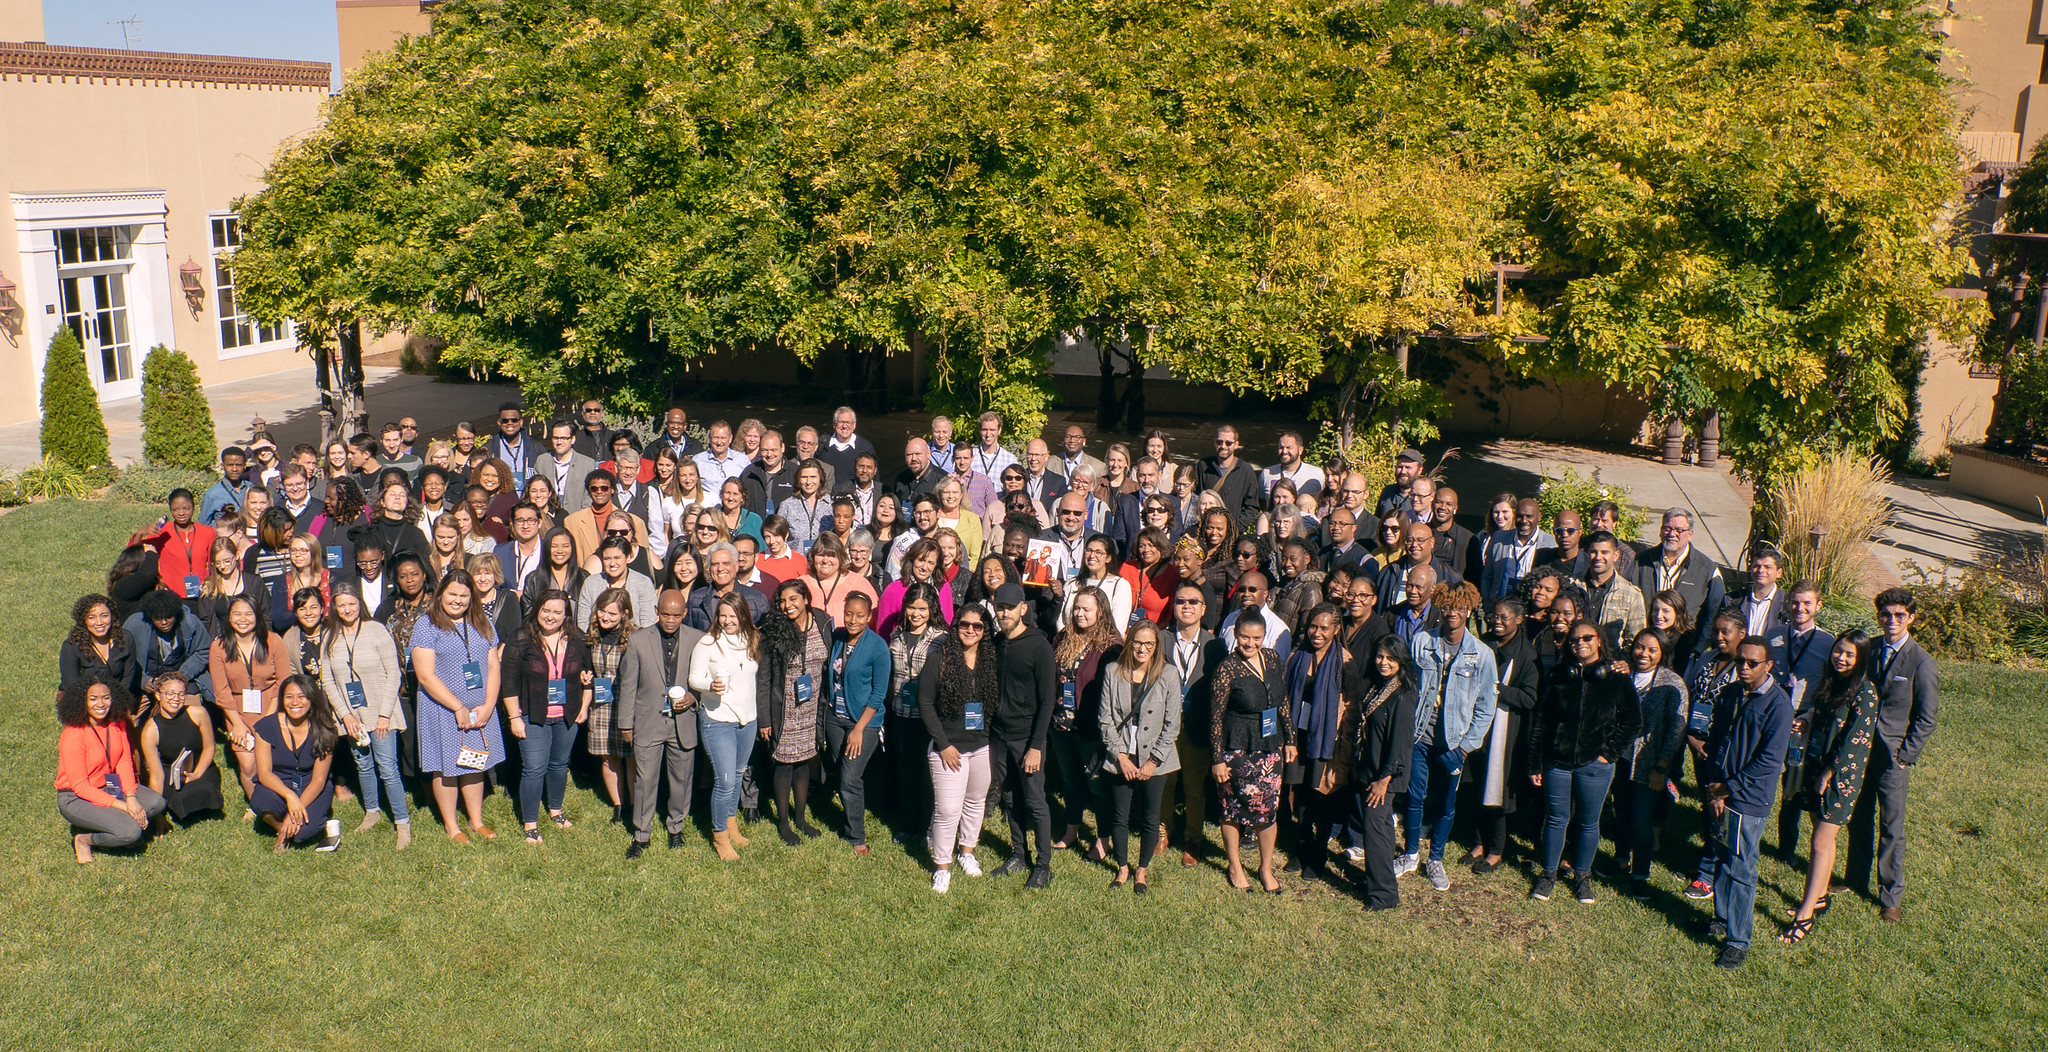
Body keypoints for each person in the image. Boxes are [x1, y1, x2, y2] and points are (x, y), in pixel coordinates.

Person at [1694, 635, 1793, 967]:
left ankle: (1737, 941)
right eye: (1740, 662)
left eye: (1753, 663)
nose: (1745, 668)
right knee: (1722, 856)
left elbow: (1769, 761)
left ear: (1769, 665)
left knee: (1741, 868)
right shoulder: (1734, 692)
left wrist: (1727, 789)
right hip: (1720, 789)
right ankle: (1722, 919)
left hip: (1747, 799)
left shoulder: (1778, 705)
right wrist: (1712, 784)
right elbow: (1718, 739)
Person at [1528, 620, 1642, 905]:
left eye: (1586, 638)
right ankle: (1549, 873)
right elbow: (1540, 722)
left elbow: (1633, 722)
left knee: (1589, 822)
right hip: (1557, 761)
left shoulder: (1616, 678)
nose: (1580, 644)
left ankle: (1582, 876)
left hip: (1595, 764)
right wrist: (1534, 763)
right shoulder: (1558, 675)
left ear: (1599, 640)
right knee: (1556, 818)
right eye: (1574, 640)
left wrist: (1609, 752)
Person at [1845, 588, 1938, 924]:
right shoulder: (1868, 648)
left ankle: (1890, 897)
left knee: (1891, 828)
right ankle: (1853, 879)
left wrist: (1904, 756)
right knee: (1858, 817)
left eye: (1900, 615)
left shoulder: (1921, 662)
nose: (1892, 621)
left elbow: (1926, 717)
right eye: (1886, 615)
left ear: (1911, 618)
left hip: (1891, 758)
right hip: (1860, 749)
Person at [1397, 582, 1498, 890]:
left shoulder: (1481, 655)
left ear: (1468, 610)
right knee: (1414, 798)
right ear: (1439, 606)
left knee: (1446, 803)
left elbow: (1486, 706)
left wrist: (1466, 747)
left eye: (1459, 606)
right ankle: (1411, 854)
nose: (1452, 612)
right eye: (1447, 605)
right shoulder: (1421, 641)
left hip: (1453, 744)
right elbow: (1407, 686)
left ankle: (1436, 859)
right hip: (1419, 737)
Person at [1782, 632, 1881, 943]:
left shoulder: (1865, 693)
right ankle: (1821, 895)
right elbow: (1824, 717)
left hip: (1839, 776)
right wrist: (1808, 717)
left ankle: (1805, 914)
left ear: (1860, 659)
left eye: (1849, 655)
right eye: (1839, 651)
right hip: (1814, 765)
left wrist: (1828, 772)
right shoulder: (1831, 682)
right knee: (1819, 835)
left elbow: (1854, 740)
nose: (1841, 658)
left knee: (1820, 842)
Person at [409, 568, 505, 844]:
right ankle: (452, 826)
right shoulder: (426, 625)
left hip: (479, 709)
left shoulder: (482, 622)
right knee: (447, 766)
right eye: (452, 594)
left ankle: (476, 821)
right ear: (440, 595)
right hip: (442, 709)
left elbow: (492, 665)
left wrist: (489, 705)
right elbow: (426, 675)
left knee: (475, 762)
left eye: (464, 595)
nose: (458, 600)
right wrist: (457, 706)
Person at [318, 585, 410, 848]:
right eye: (341, 605)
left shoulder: (376, 630)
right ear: (334, 607)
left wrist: (384, 715)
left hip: (381, 712)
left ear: (359, 604)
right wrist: (345, 714)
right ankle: (372, 811)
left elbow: (394, 673)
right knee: (363, 765)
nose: (347, 609)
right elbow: (328, 680)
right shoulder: (330, 637)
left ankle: (402, 822)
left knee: (387, 768)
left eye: (352, 604)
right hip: (352, 716)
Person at [1094, 619, 1181, 892]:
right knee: (1119, 814)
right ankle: (1122, 868)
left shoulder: (1168, 675)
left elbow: (1172, 724)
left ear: (1157, 646)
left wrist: (1153, 761)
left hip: (1155, 758)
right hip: (1122, 755)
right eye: (1137, 642)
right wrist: (1120, 756)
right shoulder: (1113, 671)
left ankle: (1141, 870)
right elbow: (1105, 718)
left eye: (1149, 644)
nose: (1142, 649)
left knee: (1150, 816)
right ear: (1129, 642)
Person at [500, 590, 593, 844]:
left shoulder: (577, 639)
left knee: (559, 765)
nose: (550, 617)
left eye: (557, 612)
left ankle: (556, 810)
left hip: (568, 715)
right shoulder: (520, 639)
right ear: (537, 610)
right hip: (532, 715)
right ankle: (530, 824)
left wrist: (584, 706)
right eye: (546, 610)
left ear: (566, 615)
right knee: (534, 769)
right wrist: (514, 718)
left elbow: (588, 676)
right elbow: (508, 684)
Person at [1211, 617, 1295, 893]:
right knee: (1232, 810)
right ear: (1236, 635)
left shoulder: (1272, 659)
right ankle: (1235, 865)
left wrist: (1290, 739)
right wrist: (1217, 759)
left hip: (1270, 748)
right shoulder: (1227, 668)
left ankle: (1265, 867)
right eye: (1245, 637)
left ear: (1264, 636)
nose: (1250, 643)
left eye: (1256, 638)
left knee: (1267, 811)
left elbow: (1281, 700)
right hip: (1236, 749)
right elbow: (1215, 717)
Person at [919, 605, 996, 892]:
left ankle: (967, 852)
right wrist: (944, 745)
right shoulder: (939, 659)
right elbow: (925, 704)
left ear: (984, 631)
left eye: (978, 626)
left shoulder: (989, 660)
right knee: (948, 810)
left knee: (976, 803)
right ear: (956, 626)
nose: (971, 630)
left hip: (982, 746)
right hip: (948, 748)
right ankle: (942, 866)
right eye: (965, 624)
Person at [1284, 606, 1362, 885]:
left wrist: (1343, 747)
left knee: (1322, 796)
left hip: (1329, 739)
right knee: (1301, 796)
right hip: (1300, 736)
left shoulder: (1344, 660)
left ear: (1336, 630)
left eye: (1324, 628)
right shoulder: (1297, 655)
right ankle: (1301, 847)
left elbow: (1353, 707)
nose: (1317, 633)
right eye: (1313, 627)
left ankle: (1318, 853)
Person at [989, 583, 1059, 887]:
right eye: (999, 607)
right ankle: (1019, 854)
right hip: (999, 737)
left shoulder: (1039, 646)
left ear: (1022, 608)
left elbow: (1048, 701)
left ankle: (1043, 865)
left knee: (1035, 801)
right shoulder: (996, 643)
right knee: (1009, 798)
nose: (1003, 612)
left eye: (1008, 607)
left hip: (1026, 738)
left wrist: (1036, 746)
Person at [55, 676, 167, 863]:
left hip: (108, 785)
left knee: (157, 803)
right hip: (75, 797)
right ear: (82, 701)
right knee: (130, 832)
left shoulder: (117, 724)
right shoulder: (72, 735)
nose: (101, 704)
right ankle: (84, 839)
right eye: (93, 699)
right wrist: (125, 807)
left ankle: (111, 822)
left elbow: (123, 761)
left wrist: (131, 797)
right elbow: (81, 787)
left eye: (106, 697)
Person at [1047, 587, 1120, 859]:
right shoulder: (1063, 638)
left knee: (1097, 783)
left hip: (1091, 728)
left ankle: (1103, 839)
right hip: (1061, 724)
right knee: (1070, 780)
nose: (1079, 614)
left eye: (1086, 609)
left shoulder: (1111, 646)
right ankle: (1071, 829)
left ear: (1100, 611)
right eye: (1076, 608)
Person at [688, 592, 761, 859]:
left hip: (747, 719)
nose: (728, 620)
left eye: (733, 615)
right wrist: (710, 685)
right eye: (723, 615)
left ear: (743, 615)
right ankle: (719, 836)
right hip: (717, 719)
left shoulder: (751, 639)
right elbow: (694, 678)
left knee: (739, 774)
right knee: (725, 780)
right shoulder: (708, 643)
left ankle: (731, 825)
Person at [1617, 628, 1688, 896]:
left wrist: (1662, 767)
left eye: (1652, 649)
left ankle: (1640, 874)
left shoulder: (1672, 683)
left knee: (1641, 819)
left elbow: (1676, 730)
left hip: (1649, 764)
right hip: (1620, 758)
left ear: (1663, 653)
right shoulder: (1624, 674)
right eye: (1639, 647)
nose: (1643, 653)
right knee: (1621, 812)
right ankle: (1620, 860)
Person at [759, 580, 830, 844]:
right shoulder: (775, 629)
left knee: (804, 760)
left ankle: (800, 818)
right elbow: (764, 677)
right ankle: (784, 823)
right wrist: (765, 718)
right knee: (784, 763)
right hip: (784, 707)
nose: (787, 606)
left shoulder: (822, 622)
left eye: (793, 599)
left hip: (812, 707)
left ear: (805, 599)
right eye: (782, 601)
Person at [820, 592, 890, 853]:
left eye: (860, 615)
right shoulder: (838, 636)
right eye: (849, 613)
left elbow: (879, 693)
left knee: (850, 778)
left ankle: (856, 836)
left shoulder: (877, 646)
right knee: (841, 772)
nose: (853, 620)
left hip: (863, 722)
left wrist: (859, 729)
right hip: (835, 718)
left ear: (869, 617)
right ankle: (852, 816)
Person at [1352, 636, 1417, 910]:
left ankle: (1383, 896)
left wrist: (1384, 779)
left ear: (1401, 661)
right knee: (1380, 831)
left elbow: (1400, 743)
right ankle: (1378, 881)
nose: (1384, 662)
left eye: (1391, 658)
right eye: (1380, 656)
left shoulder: (1402, 695)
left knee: (1375, 832)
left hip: (1384, 776)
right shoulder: (1380, 687)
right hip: (1369, 770)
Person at [206, 594, 286, 808]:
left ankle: (280, 800)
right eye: (237, 614)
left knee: (271, 761)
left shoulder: (273, 641)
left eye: (249, 614)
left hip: (271, 705)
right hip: (237, 710)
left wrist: (269, 718)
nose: (243, 619)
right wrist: (237, 724)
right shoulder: (219, 647)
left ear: (257, 616)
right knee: (248, 765)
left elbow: (283, 682)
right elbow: (221, 690)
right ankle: (257, 805)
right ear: (229, 619)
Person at [249, 674, 342, 852]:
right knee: (262, 802)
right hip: (278, 782)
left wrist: (297, 808)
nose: (295, 703)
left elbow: (319, 780)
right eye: (289, 697)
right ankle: (282, 830)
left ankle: (287, 831)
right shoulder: (266, 727)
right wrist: (290, 797)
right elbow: (265, 773)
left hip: (310, 783)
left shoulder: (325, 729)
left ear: (312, 699)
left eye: (302, 696)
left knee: (304, 833)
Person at [1629, 508, 1726, 654]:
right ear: (1660, 531)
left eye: (1679, 530)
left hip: (1683, 651)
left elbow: (1714, 614)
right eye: (1667, 528)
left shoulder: (1707, 570)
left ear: (1690, 534)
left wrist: (1697, 649)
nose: (1672, 534)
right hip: (1645, 650)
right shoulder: (1641, 562)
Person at [137, 672, 223, 828]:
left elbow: (210, 747)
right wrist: (158, 816)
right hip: (170, 772)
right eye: (170, 694)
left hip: (200, 766)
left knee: (207, 788)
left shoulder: (199, 713)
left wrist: (197, 774)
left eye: (180, 694)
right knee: (180, 798)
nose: (175, 699)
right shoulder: (151, 730)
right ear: (158, 695)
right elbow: (156, 775)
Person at [134, 489, 217, 599]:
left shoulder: (207, 532)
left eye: (186, 509)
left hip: (201, 593)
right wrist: (140, 532)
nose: (181, 513)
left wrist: (211, 579)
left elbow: (214, 561)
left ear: (193, 507)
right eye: (175, 509)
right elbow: (134, 554)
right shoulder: (163, 532)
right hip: (171, 594)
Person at [60, 593, 139, 696]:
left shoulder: (125, 638)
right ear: (83, 620)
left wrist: (114, 701)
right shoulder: (71, 646)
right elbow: (71, 686)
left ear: (112, 616)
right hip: (81, 701)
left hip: (118, 699)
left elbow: (128, 676)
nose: (99, 622)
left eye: (104, 616)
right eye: (92, 617)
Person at [801, 534, 878, 628]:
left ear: (841, 558)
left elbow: (874, 619)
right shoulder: (801, 585)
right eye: (820, 555)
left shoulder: (859, 584)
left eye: (831, 555)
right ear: (812, 557)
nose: (825, 560)